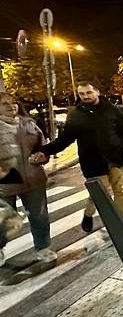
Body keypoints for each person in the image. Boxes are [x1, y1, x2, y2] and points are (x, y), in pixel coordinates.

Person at [30, 82, 123, 234]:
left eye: (89, 92)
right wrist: (45, 151)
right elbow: (65, 139)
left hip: (117, 157)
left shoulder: (112, 109)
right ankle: (88, 215)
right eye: (82, 94)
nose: (86, 96)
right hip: (92, 161)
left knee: (120, 191)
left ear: (97, 92)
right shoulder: (76, 114)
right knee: (100, 193)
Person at [0, 92, 57, 266]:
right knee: (3, 219)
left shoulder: (29, 124)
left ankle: (43, 248)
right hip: (5, 180)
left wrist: (43, 157)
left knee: (39, 216)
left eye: (14, 103)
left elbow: (43, 148)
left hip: (33, 178)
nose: (11, 106)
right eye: (5, 104)